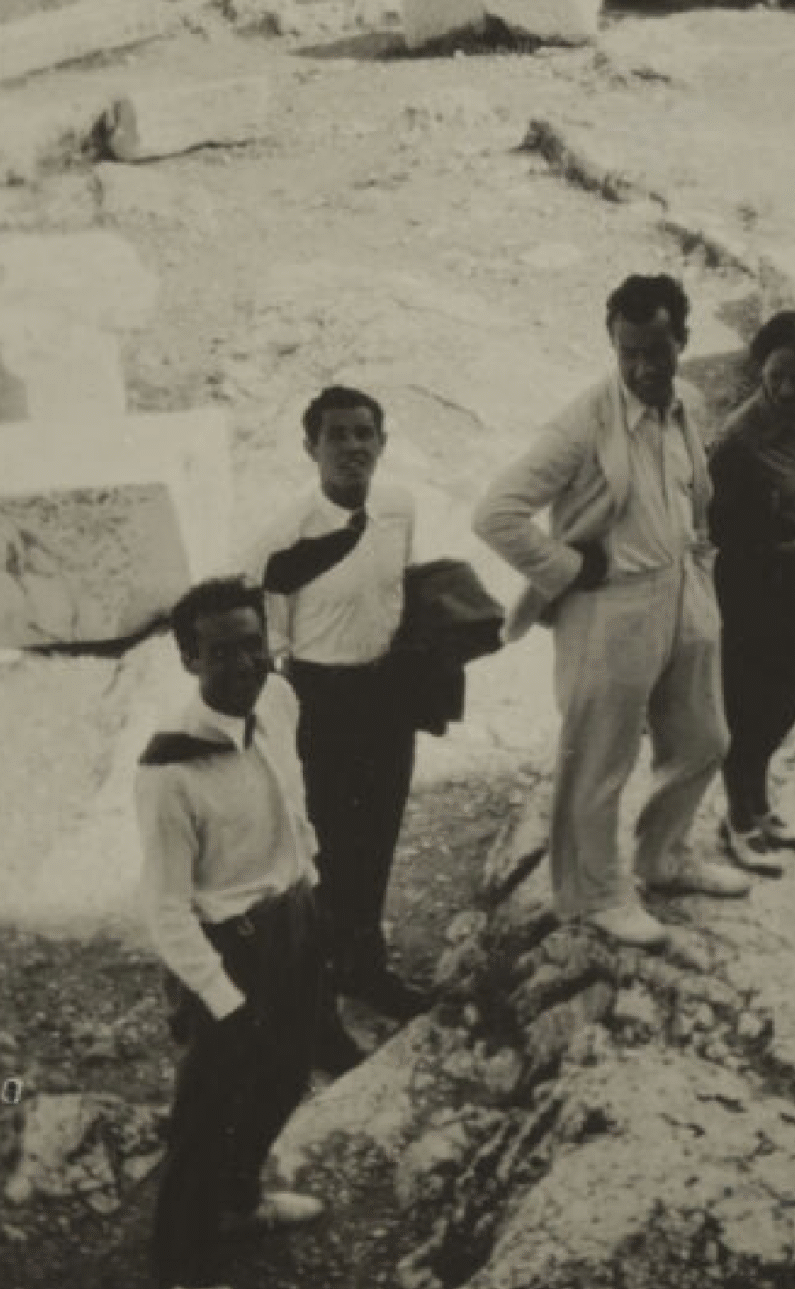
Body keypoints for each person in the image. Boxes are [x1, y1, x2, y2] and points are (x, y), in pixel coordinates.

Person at [472, 274, 750, 949]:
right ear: (613, 344)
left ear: (683, 341)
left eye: (658, 351)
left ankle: (663, 856)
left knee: (706, 738)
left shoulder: (685, 401)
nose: (644, 368)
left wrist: (702, 563)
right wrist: (569, 569)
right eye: (629, 353)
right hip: (610, 607)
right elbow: (496, 513)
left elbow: (693, 491)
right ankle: (593, 894)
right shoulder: (582, 423)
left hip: (682, 589)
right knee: (599, 760)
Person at [135, 575, 325, 1289]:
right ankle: (179, 1261)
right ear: (190, 660)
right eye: (223, 653)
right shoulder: (168, 773)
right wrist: (222, 997)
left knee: (283, 1077)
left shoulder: (277, 698)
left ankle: (239, 1203)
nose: (247, 665)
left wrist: (314, 887)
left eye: (255, 645)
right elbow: (165, 908)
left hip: (295, 921)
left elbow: (292, 796)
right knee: (204, 1116)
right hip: (226, 952)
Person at [243, 385, 426, 1032]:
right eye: (337, 436)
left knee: (378, 835)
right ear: (310, 448)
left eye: (363, 434)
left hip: (387, 695)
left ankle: (367, 970)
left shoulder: (400, 508)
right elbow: (267, 642)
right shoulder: (283, 538)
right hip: (320, 701)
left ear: (382, 442)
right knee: (325, 850)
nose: (352, 447)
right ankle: (316, 1005)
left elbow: (400, 593)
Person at [710, 310, 795, 874]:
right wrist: (787, 551)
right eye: (780, 374)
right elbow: (719, 532)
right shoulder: (737, 440)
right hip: (750, 586)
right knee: (749, 706)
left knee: (788, 698)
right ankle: (738, 820)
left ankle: (760, 806)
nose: (790, 388)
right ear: (761, 363)